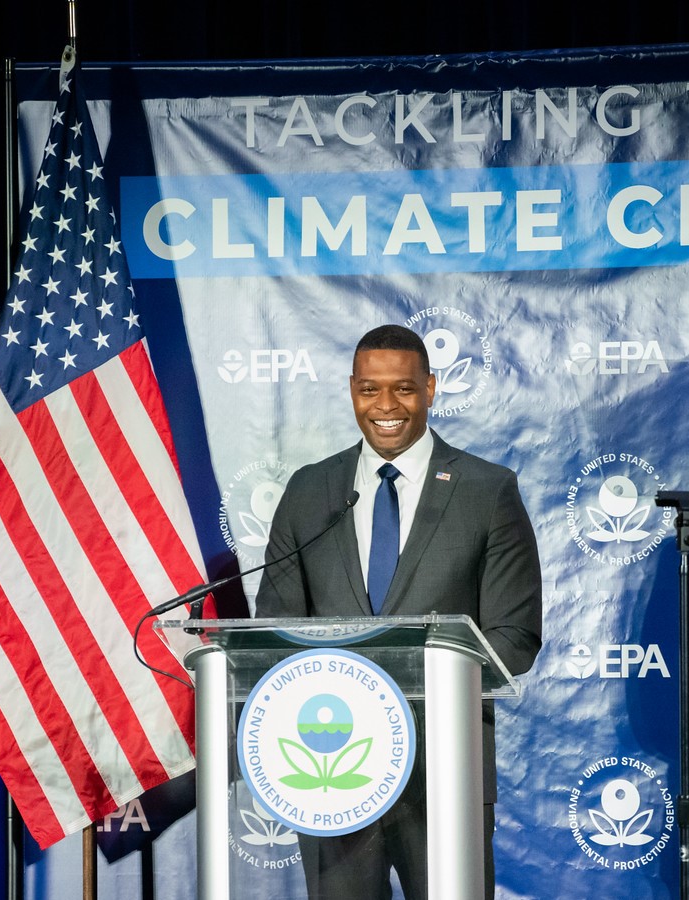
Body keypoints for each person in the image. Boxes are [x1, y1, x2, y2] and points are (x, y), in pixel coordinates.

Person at [254, 323, 543, 900]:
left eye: (404, 389)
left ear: (430, 389)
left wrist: (406, 687)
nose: (386, 406)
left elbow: (514, 637)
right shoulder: (310, 491)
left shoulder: (487, 490)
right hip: (329, 767)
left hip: (444, 770)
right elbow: (275, 630)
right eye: (369, 389)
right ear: (352, 390)